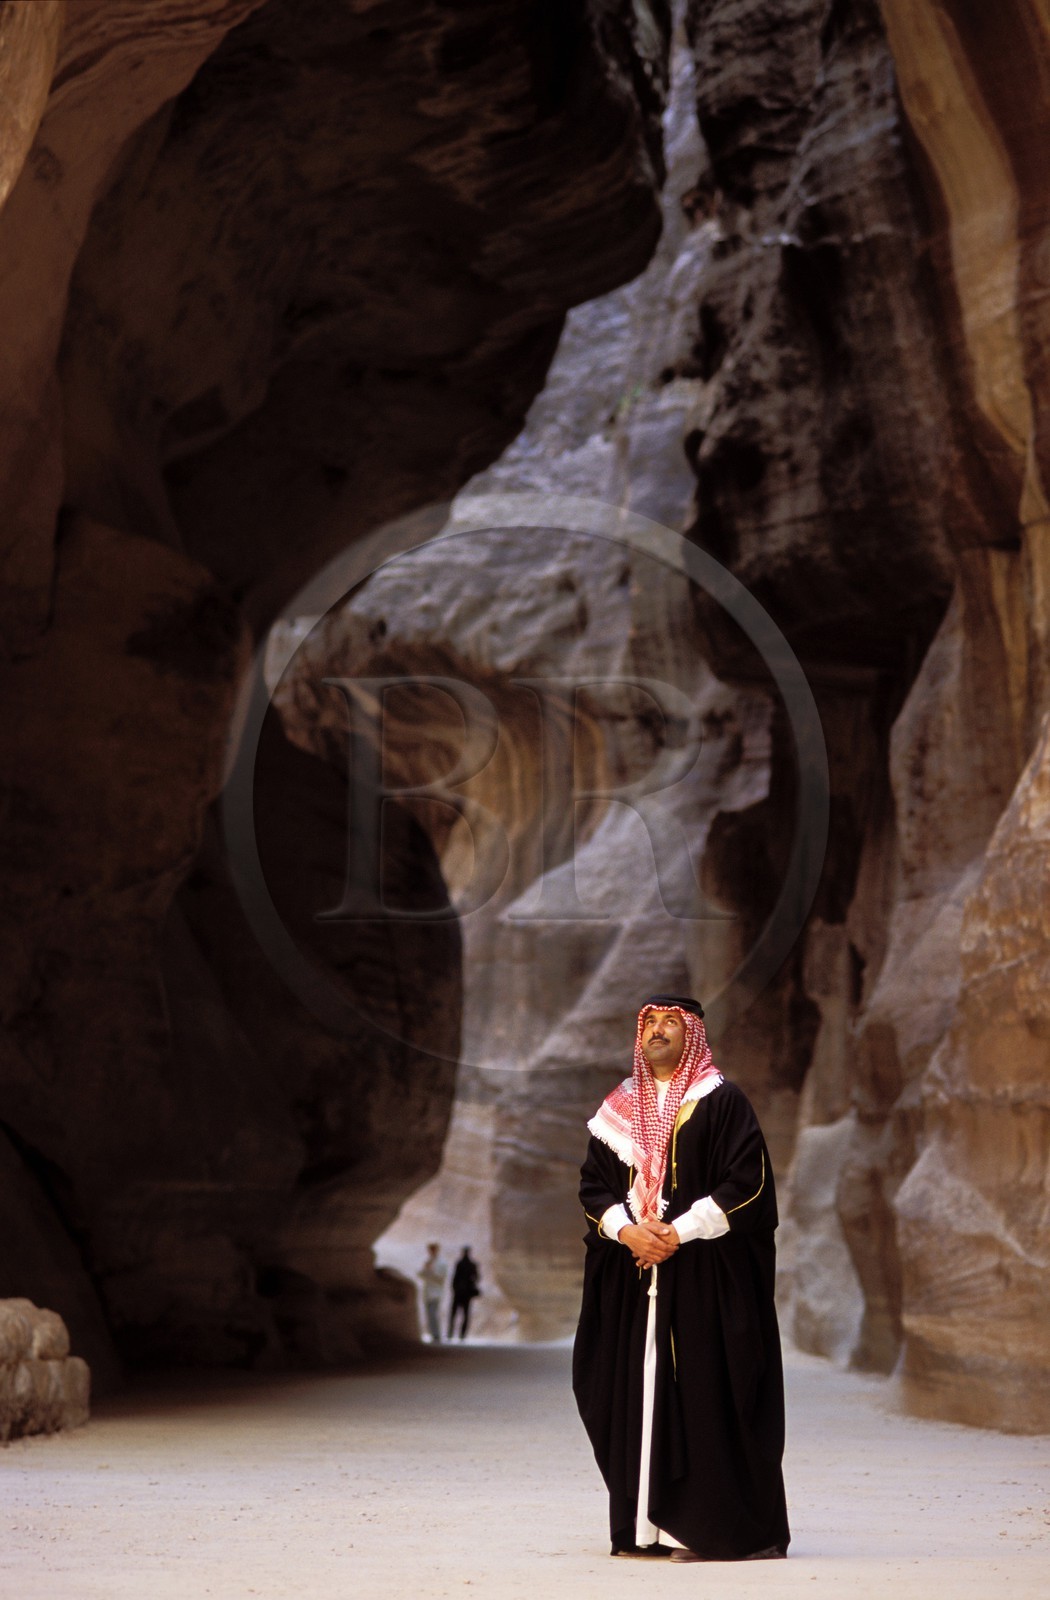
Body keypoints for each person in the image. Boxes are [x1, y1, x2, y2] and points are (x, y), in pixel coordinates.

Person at [573, 994, 789, 1563]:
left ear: (692, 1034)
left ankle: (708, 1531)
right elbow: (594, 1188)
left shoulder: (720, 1101)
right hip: (634, 1282)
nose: (659, 1031)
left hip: (705, 1280)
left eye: (672, 1022)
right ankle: (643, 1530)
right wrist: (628, 1232)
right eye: (651, 1022)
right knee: (632, 1394)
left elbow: (748, 1185)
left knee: (707, 1393)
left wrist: (677, 1232)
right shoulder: (618, 1108)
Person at [418, 1242, 448, 1344]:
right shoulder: (428, 1261)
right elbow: (420, 1273)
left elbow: (441, 1278)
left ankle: (436, 1335)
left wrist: (431, 1272)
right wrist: (426, 1269)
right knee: (429, 1315)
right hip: (428, 1292)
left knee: (433, 1314)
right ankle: (433, 1334)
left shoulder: (441, 1262)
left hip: (436, 1292)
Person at [448, 1247, 480, 1340]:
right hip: (466, 1293)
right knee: (465, 1314)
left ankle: (451, 1333)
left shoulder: (460, 1263)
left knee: (454, 1313)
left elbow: (455, 1277)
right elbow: (476, 1278)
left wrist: (455, 1288)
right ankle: (462, 1334)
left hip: (459, 1293)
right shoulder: (471, 1264)